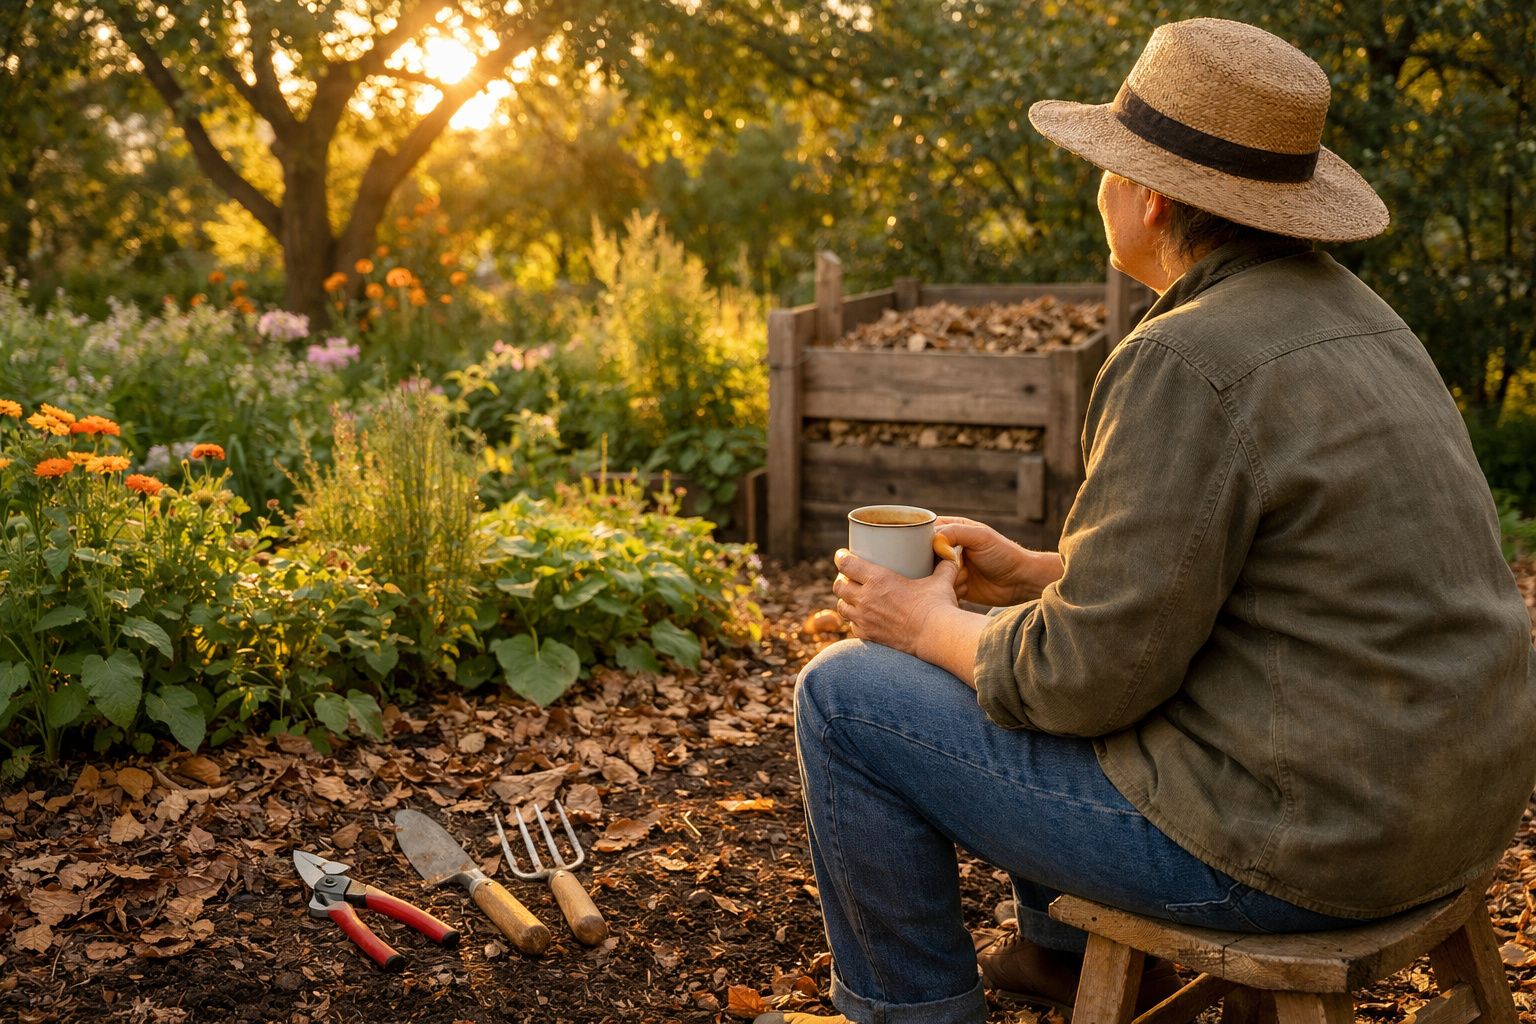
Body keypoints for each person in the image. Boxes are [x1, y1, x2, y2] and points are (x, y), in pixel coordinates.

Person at [754, 17, 1536, 1024]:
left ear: (1150, 195)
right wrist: (1044, 572)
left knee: (845, 698)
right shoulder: (1360, 318)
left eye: (1107, 166)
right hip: (1444, 811)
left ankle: (906, 1011)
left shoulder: (1185, 356)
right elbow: (1251, 578)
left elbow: (1082, 679)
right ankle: (1063, 957)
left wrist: (927, 625)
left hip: (1304, 848)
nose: (1102, 186)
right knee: (1043, 652)